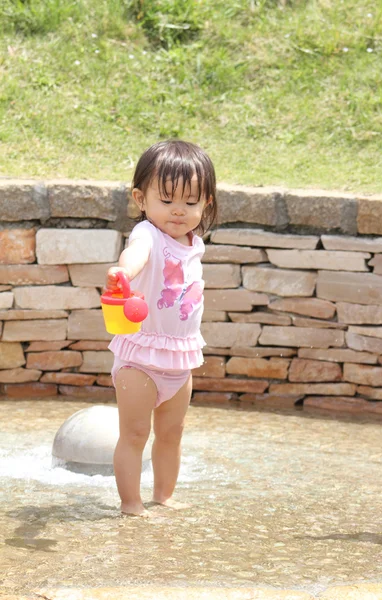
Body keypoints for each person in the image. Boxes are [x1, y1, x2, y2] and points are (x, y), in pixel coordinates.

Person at [106, 140, 217, 517]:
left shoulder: (193, 243)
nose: (178, 211)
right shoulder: (147, 235)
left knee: (171, 434)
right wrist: (125, 273)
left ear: (207, 204)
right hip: (140, 357)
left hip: (179, 357)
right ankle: (131, 503)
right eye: (167, 200)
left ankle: (164, 495)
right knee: (136, 434)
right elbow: (135, 255)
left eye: (190, 202)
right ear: (141, 199)